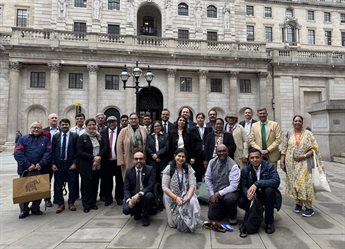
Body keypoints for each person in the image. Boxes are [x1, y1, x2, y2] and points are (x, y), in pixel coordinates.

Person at [280, 115, 318, 217]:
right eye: (295, 121)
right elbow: (284, 148)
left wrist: (304, 156)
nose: (297, 122)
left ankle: (309, 207)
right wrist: (282, 161)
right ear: (293, 122)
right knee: (294, 184)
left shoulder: (308, 134)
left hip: (304, 163)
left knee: (305, 184)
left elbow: (314, 148)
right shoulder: (288, 133)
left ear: (302, 122)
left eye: (299, 121)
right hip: (291, 164)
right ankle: (298, 203)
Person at [14, 121, 52, 219]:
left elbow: (48, 153)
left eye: (38, 128)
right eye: (34, 127)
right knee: (24, 190)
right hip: (25, 170)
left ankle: (35, 207)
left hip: (40, 169)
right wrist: (28, 164)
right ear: (30, 129)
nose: (36, 129)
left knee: (38, 190)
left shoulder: (46, 140)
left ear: (41, 129)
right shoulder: (23, 139)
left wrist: (41, 163)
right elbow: (18, 152)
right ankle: (24, 209)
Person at [239, 148, 282, 234]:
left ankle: (269, 222)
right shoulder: (245, 170)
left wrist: (258, 183)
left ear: (261, 157)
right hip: (254, 195)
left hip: (266, 195)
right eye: (252, 158)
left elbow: (276, 181)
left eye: (257, 157)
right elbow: (243, 185)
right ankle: (256, 213)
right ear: (249, 159)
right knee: (240, 200)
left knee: (269, 190)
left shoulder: (269, 166)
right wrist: (247, 193)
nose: (255, 159)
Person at [162, 148, 201, 232]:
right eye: (179, 156)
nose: (181, 158)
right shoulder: (169, 168)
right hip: (171, 197)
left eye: (183, 157)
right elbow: (164, 187)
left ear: (185, 158)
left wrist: (187, 198)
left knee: (192, 200)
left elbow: (192, 185)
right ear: (175, 156)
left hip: (185, 196)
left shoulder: (188, 168)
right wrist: (176, 198)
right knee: (173, 224)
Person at [205, 144, 240, 225]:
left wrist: (218, 193)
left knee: (230, 200)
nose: (222, 153)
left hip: (229, 193)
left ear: (227, 152)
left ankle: (232, 215)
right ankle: (223, 210)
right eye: (219, 151)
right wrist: (212, 194)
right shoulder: (212, 162)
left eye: (224, 151)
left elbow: (234, 186)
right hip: (215, 192)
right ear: (216, 153)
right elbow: (207, 178)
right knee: (212, 217)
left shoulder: (233, 165)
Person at [77, 118, 106, 213]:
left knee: (95, 184)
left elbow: (104, 147)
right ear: (86, 126)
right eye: (89, 125)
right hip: (86, 166)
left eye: (93, 124)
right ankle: (86, 204)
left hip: (97, 165)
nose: (92, 126)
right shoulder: (82, 137)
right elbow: (80, 151)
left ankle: (93, 202)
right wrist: (93, 157)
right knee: (86, 186)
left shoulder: (98, 136)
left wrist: (99, 156)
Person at [51, 118, 79, 213]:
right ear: (60, 125)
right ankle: (60, 204)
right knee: (58, 185)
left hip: (70, 164)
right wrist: (53, 163)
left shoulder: (75, 136)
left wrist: (75, 163)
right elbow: (53, 151)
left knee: (72, 185)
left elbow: (77, 151)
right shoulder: (56, 136)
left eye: (66, 124)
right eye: (63, 124)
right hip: (59, 165)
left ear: (69, 125)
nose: (64, 126)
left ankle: (71, 202)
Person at [123, 151, 156, 226]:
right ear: (133, 160)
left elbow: (150, 185)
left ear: (144, 160)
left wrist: (139, 194)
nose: (138, 161)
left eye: (141, 159)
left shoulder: (149, 169)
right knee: (126, 210)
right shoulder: (128, 171)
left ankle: (145, 216)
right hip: (133, 197)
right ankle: (137, 211)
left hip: (144, 195)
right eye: (136, 159)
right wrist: (129, 200)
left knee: (149, 196)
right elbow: (126, 188)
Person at [100, 116, 123, 206]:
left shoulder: (121, 131)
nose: (111, 123)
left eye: (113, 121)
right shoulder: (103, 132)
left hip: (118, 160)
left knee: (119, 180)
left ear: (116, 122)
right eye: (109, 122)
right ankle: (108, 198)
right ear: (107, 123)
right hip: (107, 161)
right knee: (107, 180)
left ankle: (119, 197)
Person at [117, 112, 148, 179]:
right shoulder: (123, 130)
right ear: (129, 120)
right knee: (129, 178)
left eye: (135, 118)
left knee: (141, 178)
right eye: (132, 119)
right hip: (128, 158)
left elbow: (147, 143)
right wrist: (121, 161)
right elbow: (119, 146)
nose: (134, 120)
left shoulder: (143, 129)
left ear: (138, 119)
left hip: (141, 158)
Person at [189, 112, 213, 182]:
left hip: (206, 153)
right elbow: (191, 143)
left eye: (201, 118)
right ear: (196, 119)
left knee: (208, 172)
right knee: (197, 172)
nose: (200, 119)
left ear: (204, 119)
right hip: (196, 154)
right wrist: (192, 156)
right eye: (198, 118)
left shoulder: (209, 129)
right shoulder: (192, 129)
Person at [43, 112, 59, 207]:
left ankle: (57, 198)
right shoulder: (43, 131)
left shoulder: (61, 130)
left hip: (58, 159)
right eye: (52, 118)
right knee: (46, 180)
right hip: (47, 160)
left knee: (58, 180)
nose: (54, 119)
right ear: (49, 120)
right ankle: (47, 199)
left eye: (55, 118)